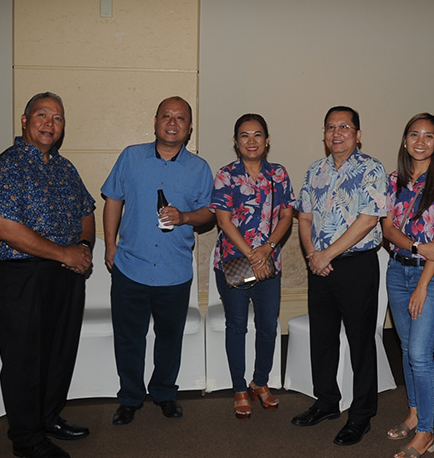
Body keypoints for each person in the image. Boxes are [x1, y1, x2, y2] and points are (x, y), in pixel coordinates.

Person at [0, 92, 95, 458]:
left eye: (57, 118)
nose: (50, 123)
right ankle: (27, 440)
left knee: (59, 352)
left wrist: (85, 249)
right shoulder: (7, 166)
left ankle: (48, 418)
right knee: (24, 359)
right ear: (25, 120)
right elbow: (3, 228)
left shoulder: (65, 168)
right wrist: (65, 252)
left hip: (64, 274)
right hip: (19, 277)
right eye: (42, 115)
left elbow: (86, 211)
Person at [101, 96, 214, 425]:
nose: (173, 122)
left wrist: (184, 216)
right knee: (129, 337)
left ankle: (164, 393)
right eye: (167, 116)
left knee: (169, 337)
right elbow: (113, 200)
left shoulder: (200, 168)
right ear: (155, 121)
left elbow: (209, 212)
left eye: (180, 118)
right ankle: (130, 397)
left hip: (174, 270)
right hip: (130, 266)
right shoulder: (131, 157)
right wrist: (110, 245)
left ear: (189, 128)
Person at [290, 106, 387, 447]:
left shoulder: (372, 169)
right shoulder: (314, 170)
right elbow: (303, 216)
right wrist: (312, 256)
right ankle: (327, 401)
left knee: (361, 342)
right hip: (319, 266)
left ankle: (361, 415)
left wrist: (326, 255)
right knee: (323, 337)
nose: (336, 133)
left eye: (344, 127)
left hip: (356, 266)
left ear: (358, 134)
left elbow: (369, 219)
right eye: (330, 127)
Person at [381, 113, 434, 458]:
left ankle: (426, 433)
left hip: (432, 276)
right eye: (414, 134)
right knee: (405, 347)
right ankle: (414, 414)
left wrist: (423, 285)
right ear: (405, 140)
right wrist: (413, 246)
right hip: (397, 271)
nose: (421, 141)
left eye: (429, 136)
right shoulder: (393, 179)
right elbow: (387, 229)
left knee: (419, 355)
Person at [209, 113, 295, 419]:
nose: (251, 141)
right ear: (236, 142)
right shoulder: (225, 175)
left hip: (269, 262)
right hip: (233, 262)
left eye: (257, 135)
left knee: (268, 325)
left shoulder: (279, 174)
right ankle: (239, 389)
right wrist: (251, 254)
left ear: (267, 140)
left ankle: (260, 382)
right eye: (244, 135)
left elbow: (286, 215)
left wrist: (267, 248)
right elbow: (223, 220)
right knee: (237, 326)